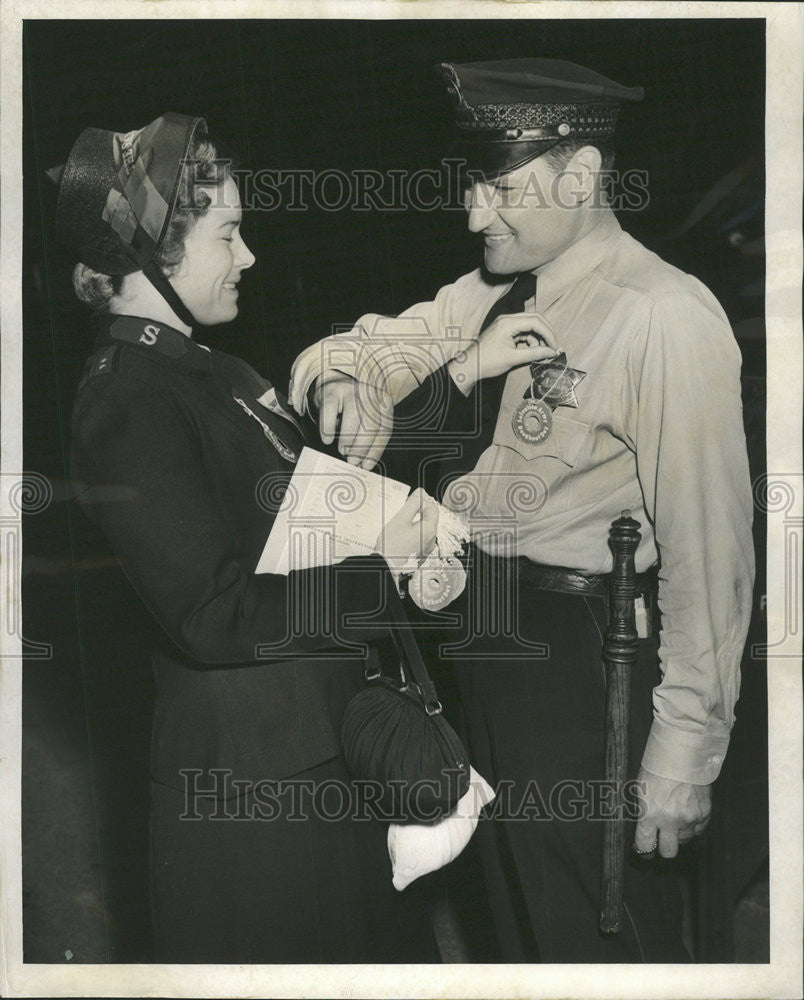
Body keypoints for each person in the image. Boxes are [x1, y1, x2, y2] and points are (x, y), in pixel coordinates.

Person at [288, 58, 756, 962]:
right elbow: (347, 349)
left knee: (602, 940)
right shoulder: (492, 293)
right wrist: (347, 374)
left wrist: (685, 751)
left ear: (578, 178)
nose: (473, 214)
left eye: (499, 188)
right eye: (472, 186)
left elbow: (710, 548)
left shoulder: (662, 315)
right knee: (519, 930)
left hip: (587, 669)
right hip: (485, 655)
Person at [57, 112, 442, 963]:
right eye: (229, 233)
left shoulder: (207, 372)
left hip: (318, 754)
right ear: (159, 254)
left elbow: (296, 507)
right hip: (252, 793)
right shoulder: (127, 399)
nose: (249, 256)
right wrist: (385, 573)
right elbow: (214, 613)